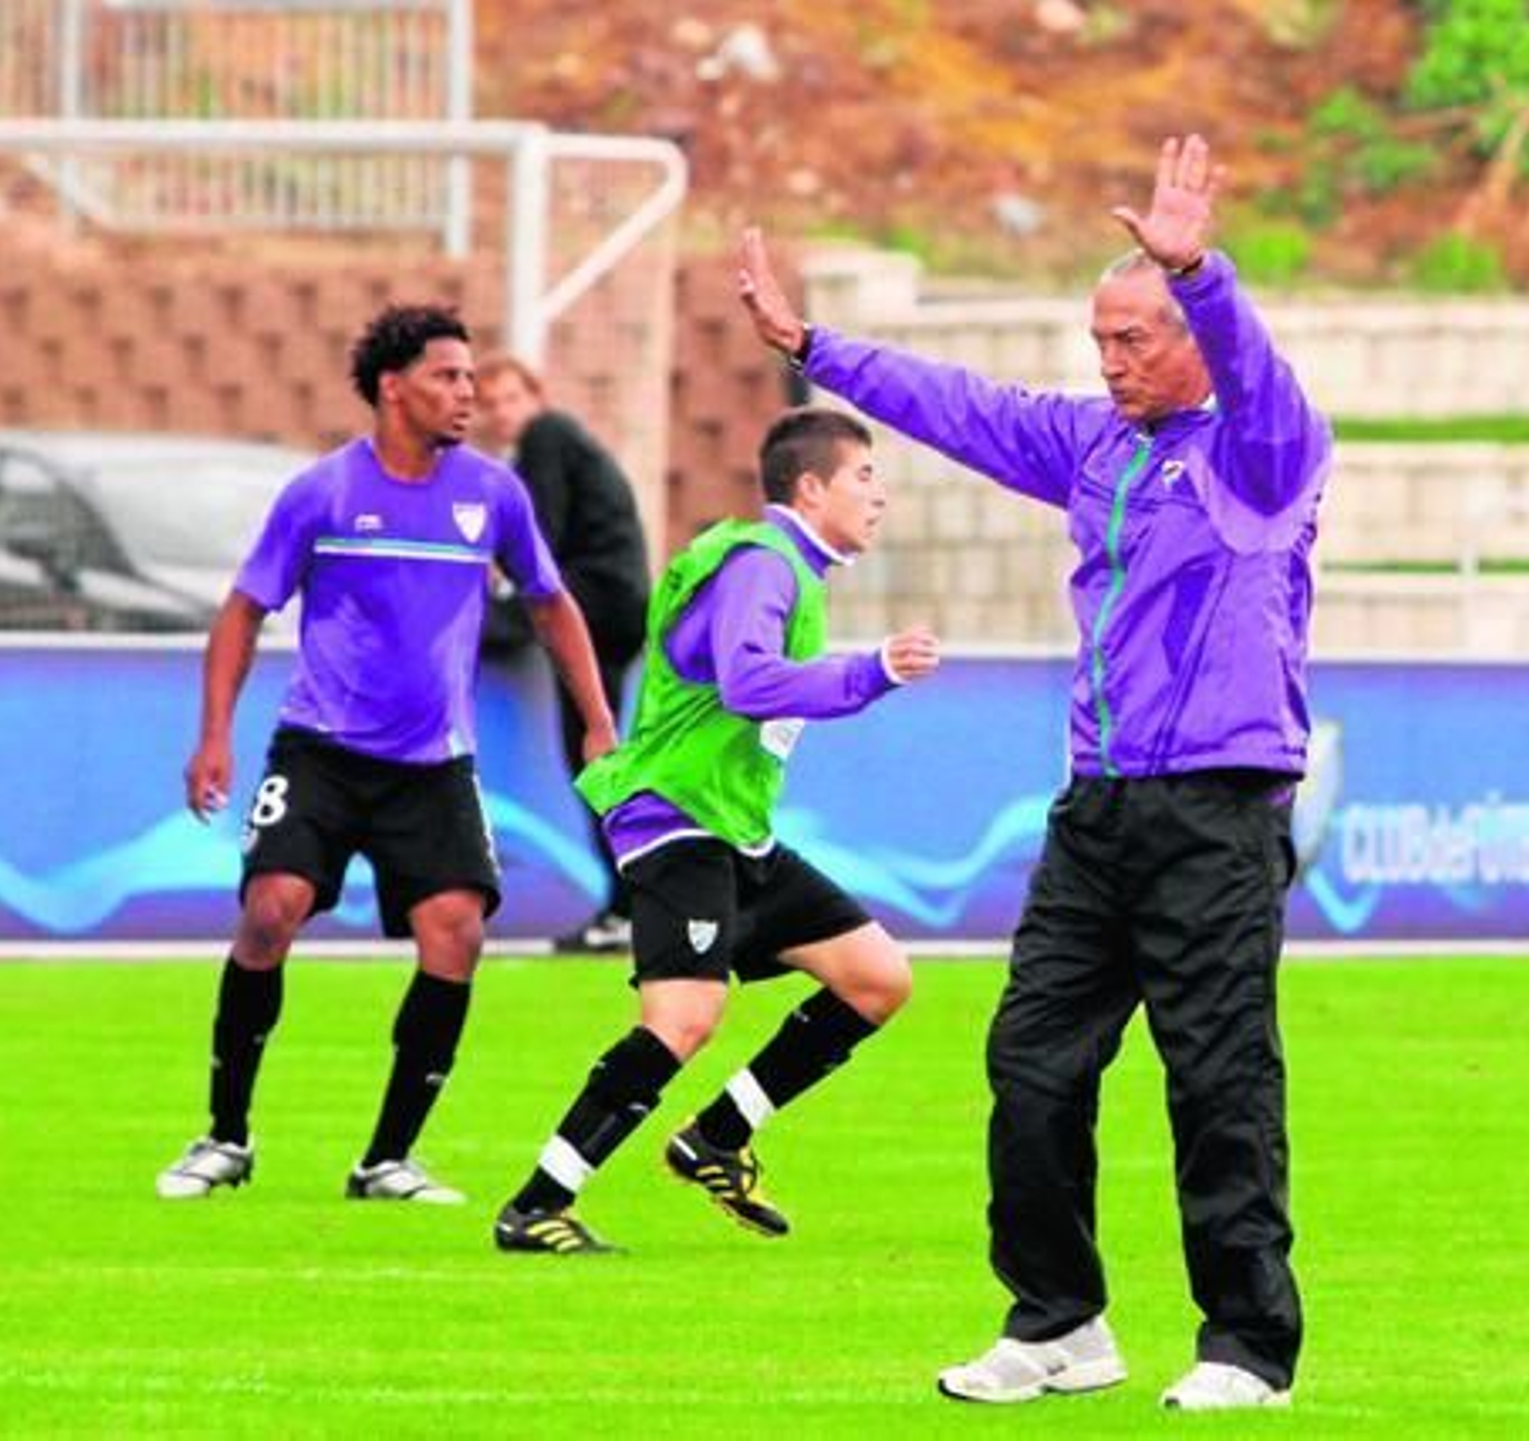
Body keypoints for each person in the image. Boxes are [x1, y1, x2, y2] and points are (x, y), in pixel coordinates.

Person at [738, 134, 1329, 1411]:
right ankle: (1060, 1323)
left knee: (1217, 1077)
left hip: (1220, 808)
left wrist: (1205, 275)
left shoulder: (1260, 456)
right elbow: (960, 405)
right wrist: (816, 350)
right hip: (1098, 807)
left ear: (1191, 338)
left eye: (1132, 338)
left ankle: (1245, 1348)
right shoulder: (1092, 449)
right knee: (1030, 1063)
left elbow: (1258, 373)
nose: (1106, 362)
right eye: (1097, 339)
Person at [157, 304, 616, 1205]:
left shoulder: (493, 494)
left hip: (433, 764)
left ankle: (386, 1159)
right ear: (393, 387)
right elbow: (244, 609)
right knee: (271, 910)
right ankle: (225, 1135)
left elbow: (554, 602)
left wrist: (597, 718)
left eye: (473, 379)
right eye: (449, 377)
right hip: (320, 750)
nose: (469, 395)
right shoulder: (321, 493)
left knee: (458, 933)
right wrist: (214, 735)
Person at [492, 406, 941, 1255]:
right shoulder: (765, 565)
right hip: (678, 818)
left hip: (735, 828)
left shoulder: (784, 569)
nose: (880, 495)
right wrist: (870, 671)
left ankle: (717, 1138)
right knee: (686, 1013)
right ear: (811, 488)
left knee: (876, 977)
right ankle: (535, 1203)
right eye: (865, 477)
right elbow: (747, 680)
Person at [474, 356, 651, 955]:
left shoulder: (547, 436)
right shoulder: (548, 446)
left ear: (536, 396)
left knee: (595, 764)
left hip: (595, 607)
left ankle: (633, 903)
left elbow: (537, 538)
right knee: (597, 763)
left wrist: (491, 597)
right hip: (609, 604)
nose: (502, 413)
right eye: (490, 403)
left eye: (509, 398)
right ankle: (632, 900)